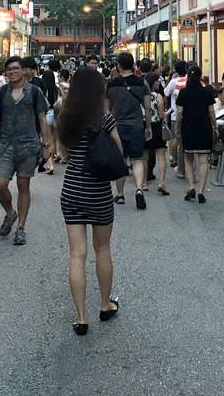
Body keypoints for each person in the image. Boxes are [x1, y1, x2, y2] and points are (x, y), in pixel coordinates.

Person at [56, 67, 123, 335]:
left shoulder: (65, 117)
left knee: (76, 254)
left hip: (72, 189)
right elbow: (118, 151)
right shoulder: (104, 118)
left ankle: (81, 317)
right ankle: (105, 305)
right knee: (102, 250)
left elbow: (64, 153)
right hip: (98, 191)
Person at [0, 55, 52, 246]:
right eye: (9, 69)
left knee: (24, 186)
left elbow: (42, 119)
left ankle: (21, 228)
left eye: (16, 68)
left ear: (23, 71)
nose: (12, 72)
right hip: (5, 145)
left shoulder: (35, 92)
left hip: (28, 146)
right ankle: (10, 213)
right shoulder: (0, 93)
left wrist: (46, 146)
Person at [105, 52, 152, 208]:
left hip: (116, 127)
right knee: (137, 159)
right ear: (133, 65)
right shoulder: (142, 83)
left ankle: (120, 195)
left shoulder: (111, 85)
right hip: (137, 125)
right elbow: (147, 107)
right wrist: (149, 126)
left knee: (120, 160)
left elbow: (106, 111)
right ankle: (139, 189)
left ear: (118, 65)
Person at [175, 65, 216, 203]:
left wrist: (177, 127)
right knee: (204, 160)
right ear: (200, 77)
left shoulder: (183, 92)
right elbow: (211, 111)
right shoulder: (206, 92)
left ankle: (191, 186)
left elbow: (179, 113)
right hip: (204, 127)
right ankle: (201, 191)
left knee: (188, 158)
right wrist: (215, 126)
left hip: (188, 127)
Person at [164, 60, 189, 177]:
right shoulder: (189, 80)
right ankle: (185, 164)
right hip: (188, 114)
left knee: (174, 138)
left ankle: (174, 159)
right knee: (185, 140)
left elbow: (166, 94)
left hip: (175, 114)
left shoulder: (174, 82)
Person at [145, 78, 169, 195]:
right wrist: (167, 113)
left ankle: (143, 183)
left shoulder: (143, 94)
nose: (159, 83)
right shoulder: (158, 96)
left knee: (144, 155)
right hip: (156, 126)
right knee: (161, 155)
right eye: (157, 81)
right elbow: (161, 115)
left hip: (145, 125)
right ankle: (161, 183)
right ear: (153, 82)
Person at [40, 66, 60, 174]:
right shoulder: (56, 89)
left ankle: (50, 164)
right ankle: (53, 157)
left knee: (46, 141)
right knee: (53, 140)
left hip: (47, 115)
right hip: (56, 114)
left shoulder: (43, 90)